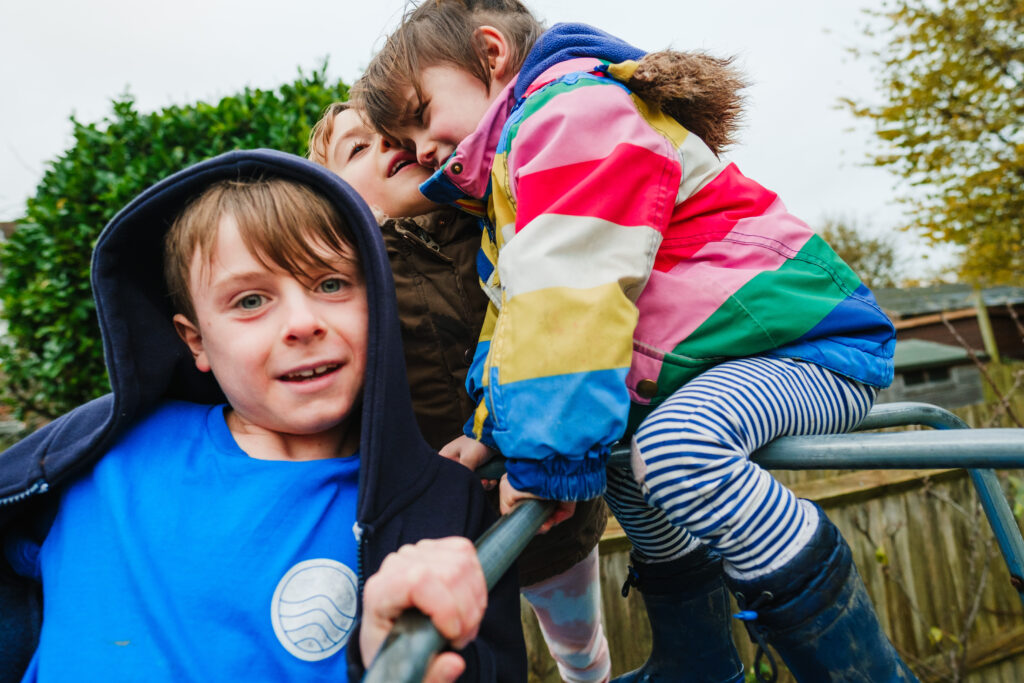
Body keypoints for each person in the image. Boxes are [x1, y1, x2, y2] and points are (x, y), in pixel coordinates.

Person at [354, 2, 917, 681]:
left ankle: (863, 670)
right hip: (732, 360)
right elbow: (516, 318)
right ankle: (698, 659)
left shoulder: (570, 119)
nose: (418, 151)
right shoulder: (518, 170)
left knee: (677, 450)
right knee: (622, 454)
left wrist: (545, 464)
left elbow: (570, 299)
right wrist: (488, 431)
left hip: (808, 344)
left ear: (491, 53)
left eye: (419, 115)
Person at [0, 149, 526, 682]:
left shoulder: (437, 506)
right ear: (196, 341)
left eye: (331, 284)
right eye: (251, 301)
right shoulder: (100, 448)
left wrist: (385, 658)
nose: (302, 323)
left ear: (379, 304)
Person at [308, 102, 612, 683]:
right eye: (357, 148)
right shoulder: (348, 275)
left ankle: (588, 672)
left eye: (395, 135)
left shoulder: (494, 220)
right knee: (468, 649)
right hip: (440, 515)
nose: (388, 147)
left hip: (543, 491)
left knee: (575, 631)